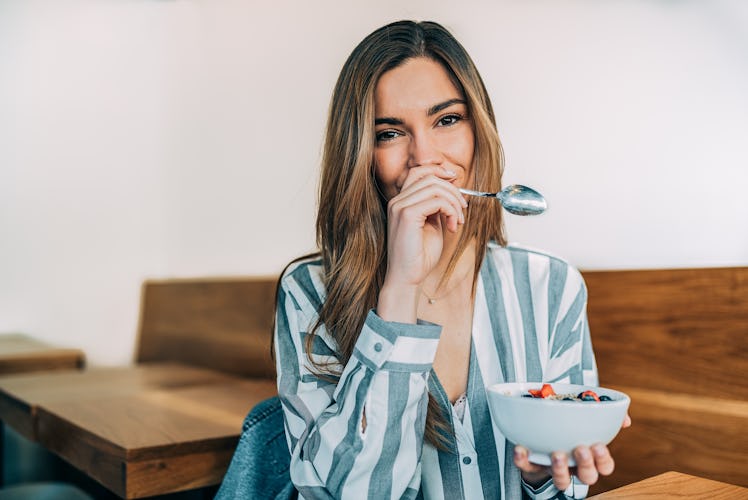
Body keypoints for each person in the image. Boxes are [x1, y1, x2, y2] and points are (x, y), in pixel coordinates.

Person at [273, 20, 629, 500]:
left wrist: (544, 476)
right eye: (390, 133)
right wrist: (400, 288)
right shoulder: (309, 291)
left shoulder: (552, 285)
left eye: (447, 120)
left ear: (479, 128)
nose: (425, 157)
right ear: (360, 155)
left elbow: (563, 480)